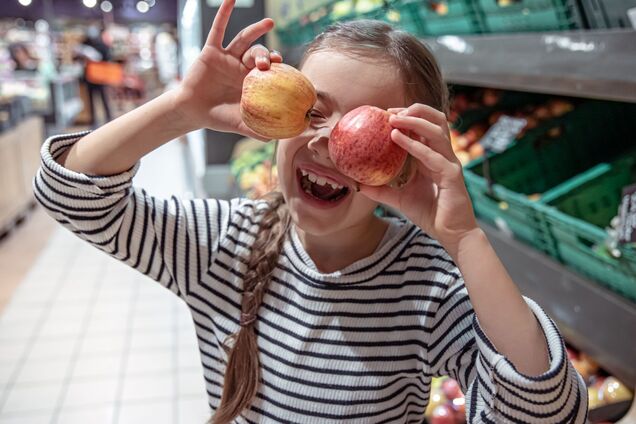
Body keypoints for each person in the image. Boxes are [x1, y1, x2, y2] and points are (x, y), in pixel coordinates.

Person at [33, 0, 587, 422]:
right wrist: (182, 109)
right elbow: (70, 194)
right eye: (311, 111)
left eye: (364, 127)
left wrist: (465, 239)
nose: (328, 141)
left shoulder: (429, 288)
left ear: (407, 160)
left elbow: (545, 411)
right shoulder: (223, 243)